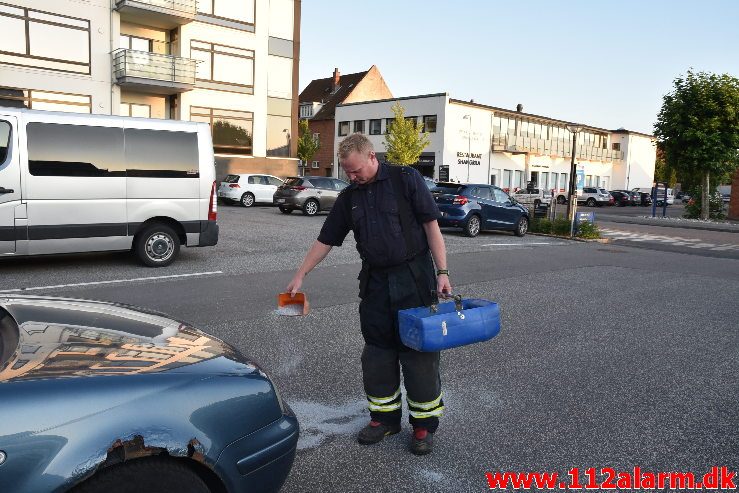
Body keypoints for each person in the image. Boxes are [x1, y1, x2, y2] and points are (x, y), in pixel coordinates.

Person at [286, 133, 452, 456]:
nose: (351, 177)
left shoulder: (406, 180)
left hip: (413, 279)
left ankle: (422, 426)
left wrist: (443, 272)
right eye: (346, 172)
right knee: (377, 354)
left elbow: (431, 225)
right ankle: (385, 419)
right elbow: (326, 239)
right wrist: (300, 274)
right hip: (375, 284)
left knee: (418, 355)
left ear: (372, 157)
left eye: (355, 170)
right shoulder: (350, 197)